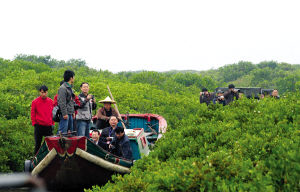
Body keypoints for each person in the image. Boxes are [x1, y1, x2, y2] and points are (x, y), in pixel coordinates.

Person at [31, 85, 54, 154]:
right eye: (42, 92)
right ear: (39, 92)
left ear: (47, 92)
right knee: (38, 143)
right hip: (39, 126)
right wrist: (34, 123)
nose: (43, 94)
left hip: (48, 125)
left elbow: (53, 113)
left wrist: (52, 123)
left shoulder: (50, 101)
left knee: (51, 144)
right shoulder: (35, 102)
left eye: (45, 92)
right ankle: (35, 159)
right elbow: (33, 113)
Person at [57, 70, 75, 134]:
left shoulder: (70, 88)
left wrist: (73, 112)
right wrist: (64, 113)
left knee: (70, 133)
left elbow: (71, 101)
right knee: (62, 132)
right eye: (73, 77)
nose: (74, 79)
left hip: (70, 112)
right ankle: (58, 144)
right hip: (65, 113)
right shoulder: (63, 88)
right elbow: (62, 102)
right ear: (71, 78)